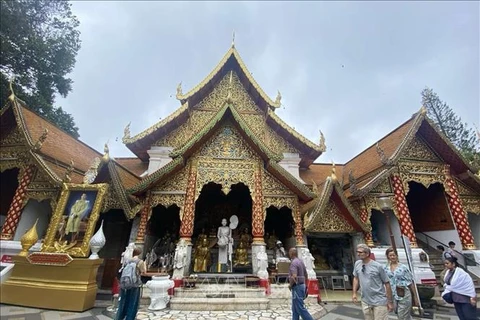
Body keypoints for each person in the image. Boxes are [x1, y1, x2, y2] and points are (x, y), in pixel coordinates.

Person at [352, 244, 394, 320]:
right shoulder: (357, 264)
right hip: (365, 299)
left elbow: (387, 283)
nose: (358, 254)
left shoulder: (377, 266)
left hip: (379, 300)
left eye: (361, 252)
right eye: (357, 252)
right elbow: (356, 278)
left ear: (367, 253)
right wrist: (354, 293)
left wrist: (389, 301)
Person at [384, 247, 420, 320]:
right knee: (399, 313)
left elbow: (411, 283)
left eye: (394, 255)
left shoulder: (403, 267)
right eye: (390, 255)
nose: (392, 257)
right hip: (393, 293)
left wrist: (415, 297)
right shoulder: (385, 268)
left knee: (402, 315)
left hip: (404, 293)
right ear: (388, 256)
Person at [441, 255, 477, 320]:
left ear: (453, 264)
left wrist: (472, 296)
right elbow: (447, 284)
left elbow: (469, 285)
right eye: (445, 264)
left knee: (469, 316)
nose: (446, 265)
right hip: (456, 298)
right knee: (461, 316)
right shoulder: (447, 272)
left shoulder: (461, 273)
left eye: (447, 263)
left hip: (465, 298)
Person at [115, 247, 146, 320]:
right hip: (135, 283)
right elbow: (143, 272)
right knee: (133, 301)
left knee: (124, 300)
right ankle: (130, 317)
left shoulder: (127, 261)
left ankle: (120, 316)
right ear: (139, 253)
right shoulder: (140, 262)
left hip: (125, 283)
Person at [288, 247, 314, 320]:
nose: (288, 254)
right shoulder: (300, 262)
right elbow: (306, 274)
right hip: (302, 285)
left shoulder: (293, 263)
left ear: (291, 253)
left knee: (300, 307)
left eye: (289, 252)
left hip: (297, 287)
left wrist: (290, 285)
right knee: (295, 308)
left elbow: (294, 276)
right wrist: (305, 284)